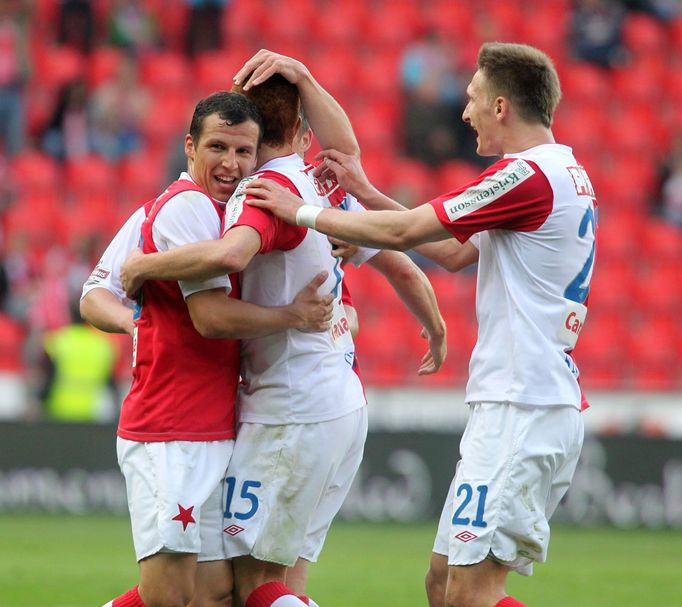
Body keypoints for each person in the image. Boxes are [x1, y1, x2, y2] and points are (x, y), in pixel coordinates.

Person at [243, 42, 595, 607]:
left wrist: (300, 212)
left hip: (523, 407)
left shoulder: (526, 176)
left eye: (474, 98)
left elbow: (408, 233)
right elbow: (452, 252)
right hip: (522, 403)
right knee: (442, 583)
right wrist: (362, 193)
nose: (465, 112)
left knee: (471, 592)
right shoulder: (563, 174)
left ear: (502, 107)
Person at [119, 50, 446, 607]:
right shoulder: (326, 183)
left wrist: (142, 267)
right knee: (277, 583)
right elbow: (398, 257)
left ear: (249, 126)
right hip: (341, 403)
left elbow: (231, 253)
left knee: (243, 587)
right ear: (300, 128)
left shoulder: (264, 193)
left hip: (290, 410)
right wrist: (435, 327)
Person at [90, 88, 334, 607]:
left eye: (244, 152)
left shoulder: (233, 211)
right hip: (171, 426)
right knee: (171, 597)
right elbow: (199, 315)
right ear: (190, 148)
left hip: (213, 423)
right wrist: (140, 325)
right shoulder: (186, 207)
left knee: (216, 592)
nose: (231, 163)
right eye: (218, 148)